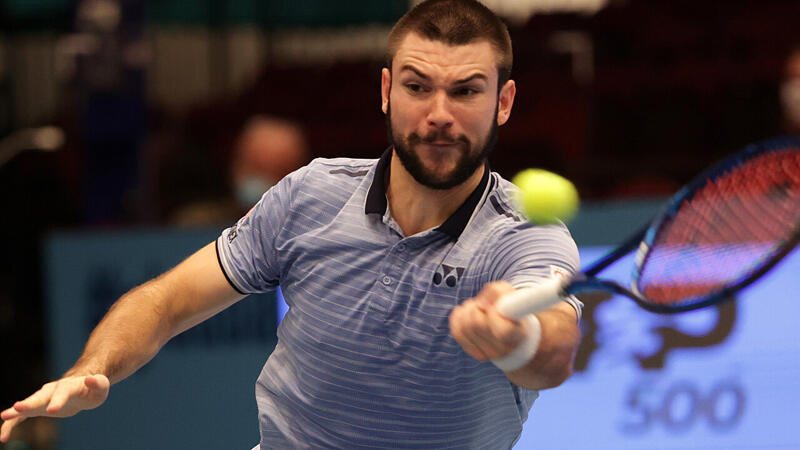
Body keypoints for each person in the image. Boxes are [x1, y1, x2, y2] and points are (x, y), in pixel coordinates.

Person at [1, 0, 582, 448]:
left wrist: (518, 336)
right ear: (385, 91)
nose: (438, 114)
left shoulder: (524, 233)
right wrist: (91, 369)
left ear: (503, 102)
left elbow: (554, 348)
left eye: (465, 92)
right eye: (416, 86)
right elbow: (168, 299)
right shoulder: (311, 193)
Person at [168, 115, 309, 226]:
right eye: (256, 167)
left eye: (277, 171)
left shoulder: (313, 233)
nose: (262, 180)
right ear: (235, 167)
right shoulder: (193, 225)